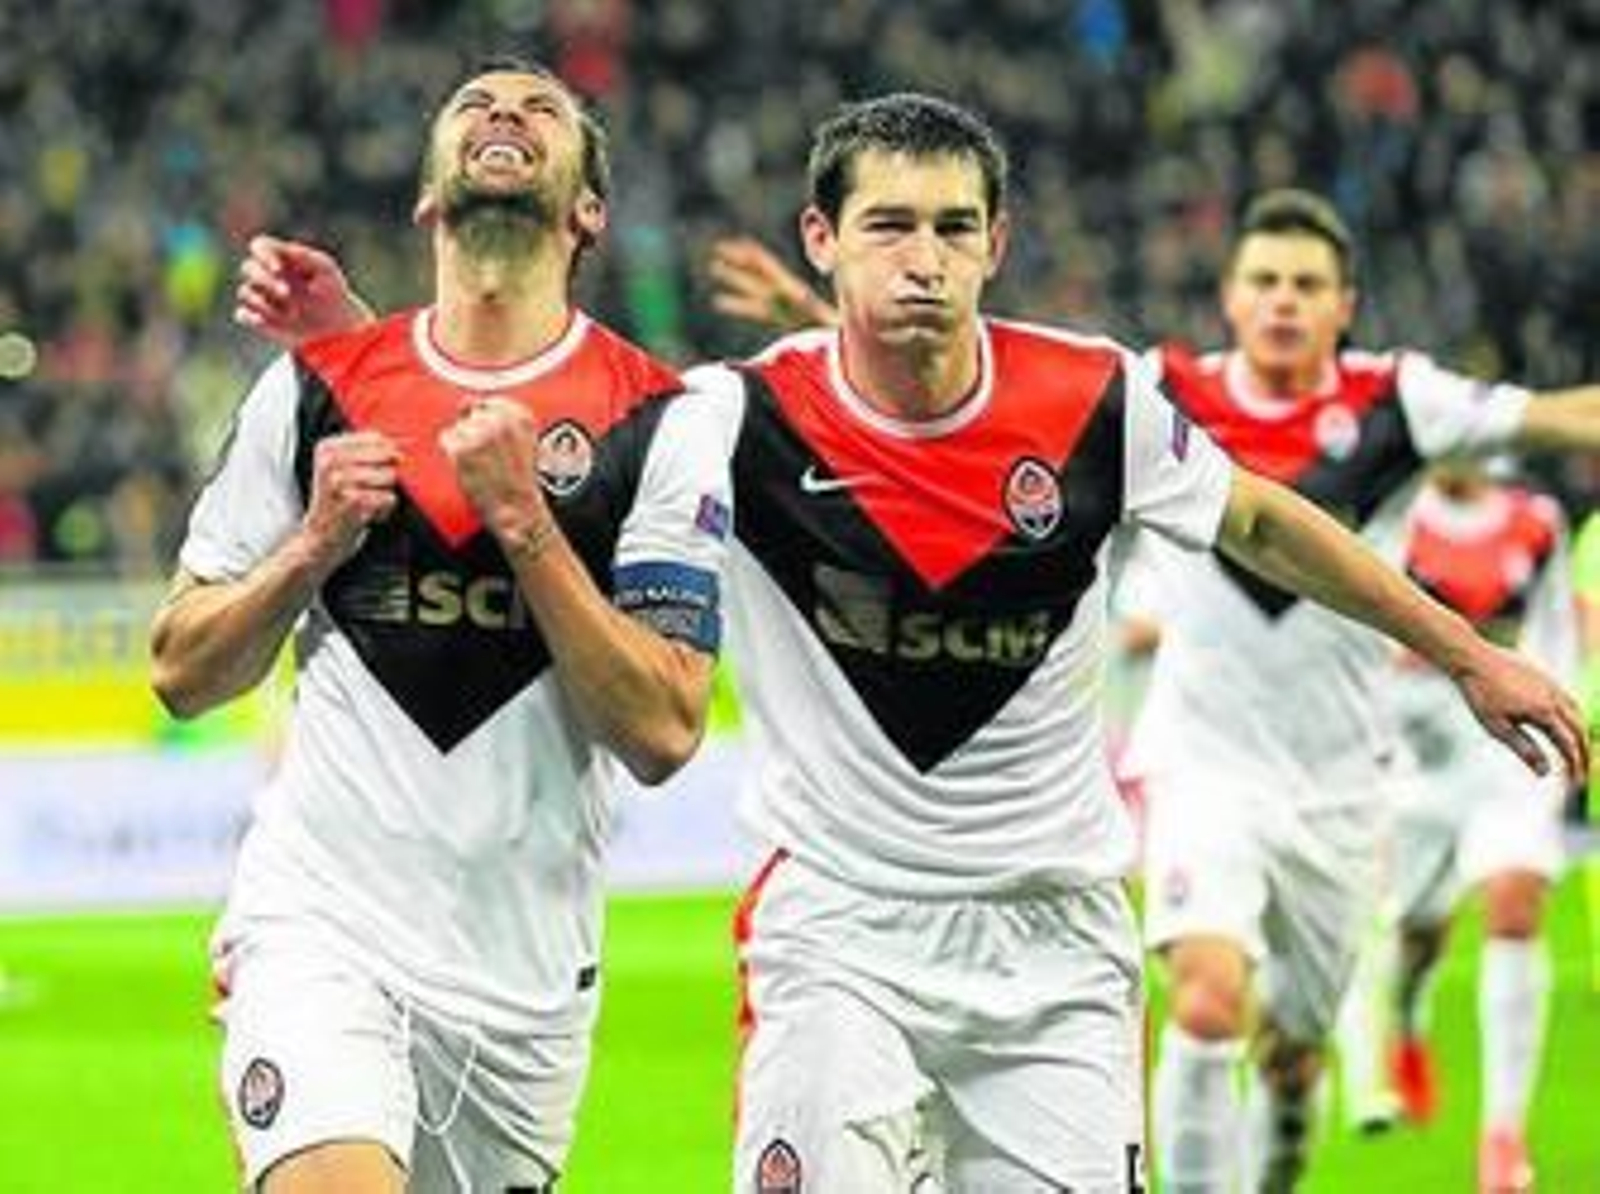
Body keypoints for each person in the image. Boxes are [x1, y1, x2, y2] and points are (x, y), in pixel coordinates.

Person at [236, 100, 1587, 1193]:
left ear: (996, 242)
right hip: (839, 934)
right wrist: (360, 347)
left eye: (952, 226)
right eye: (888, 225)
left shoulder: (1094, 399)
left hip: (1052, 944)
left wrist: (1468, 650)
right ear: (824, 239)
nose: (922, 258)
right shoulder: (728, 417)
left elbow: (1267, 524)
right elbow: (541, 426)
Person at [701, 186, 1600, 1193]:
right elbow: (979, 402)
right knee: (1209, 1002)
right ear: (1229, 296)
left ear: (1345, 305)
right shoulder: (1164, 390)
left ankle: (1293, 1106)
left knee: (1294, 1053)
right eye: (1263, 281)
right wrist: (817, 326)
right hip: (1202, 763)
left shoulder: (1399, 401)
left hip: (1345, 781)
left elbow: (1555, 419)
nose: (1283, 304)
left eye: (1307, 286)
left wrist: (1470, 653)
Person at [152, 59, 733, 1193]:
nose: (505, 113)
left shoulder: (660, 421)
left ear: (588, 212)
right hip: (322, 927)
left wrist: (526, 525)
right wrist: (309, 549)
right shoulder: (315, 390)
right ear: (426, 198)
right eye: (473, 103)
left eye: (540, 110)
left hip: (521, 985)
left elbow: (665, 729)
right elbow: (179, 668)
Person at [1333, 460, 1579, 1191]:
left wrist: (1568, 719)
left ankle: (1503, 1136)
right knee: (1415, 930)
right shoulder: (1391, 521)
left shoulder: (1537, 521)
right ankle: (1405, 1021)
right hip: (1412, 762)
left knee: (1513, 899)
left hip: (1507, 750)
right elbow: (1351, 630)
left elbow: (1555, 629)